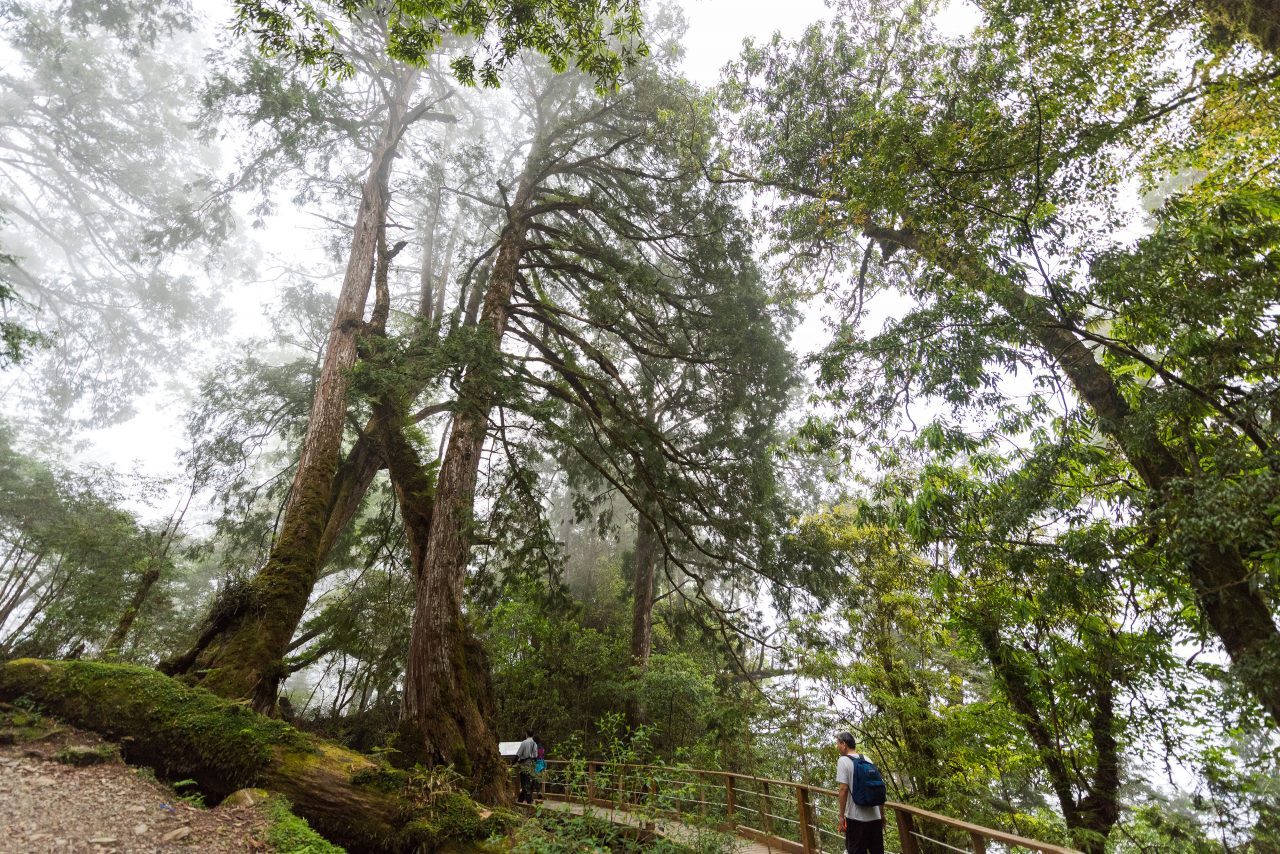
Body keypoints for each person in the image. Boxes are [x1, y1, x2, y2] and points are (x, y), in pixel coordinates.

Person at [835, 731, 884, 854]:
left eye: (838, 744)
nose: (837, 747)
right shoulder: (867, 759)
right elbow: (878, 789)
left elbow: (843, 789)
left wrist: (841, 817)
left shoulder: (843, 761)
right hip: (875, 818)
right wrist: (882, 815)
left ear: (844, 744)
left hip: (856, 819)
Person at [514, 729, 537, 804]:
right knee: (528, 782)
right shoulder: (534, 743)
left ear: (526, 734)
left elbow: (518, 754)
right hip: (531, 764)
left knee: (524, 782)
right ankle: (521, 799)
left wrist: (513, 762)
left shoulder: (524, 743)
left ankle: (528, 800)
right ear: (533, 735)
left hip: (524, 764)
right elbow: (535, 756)